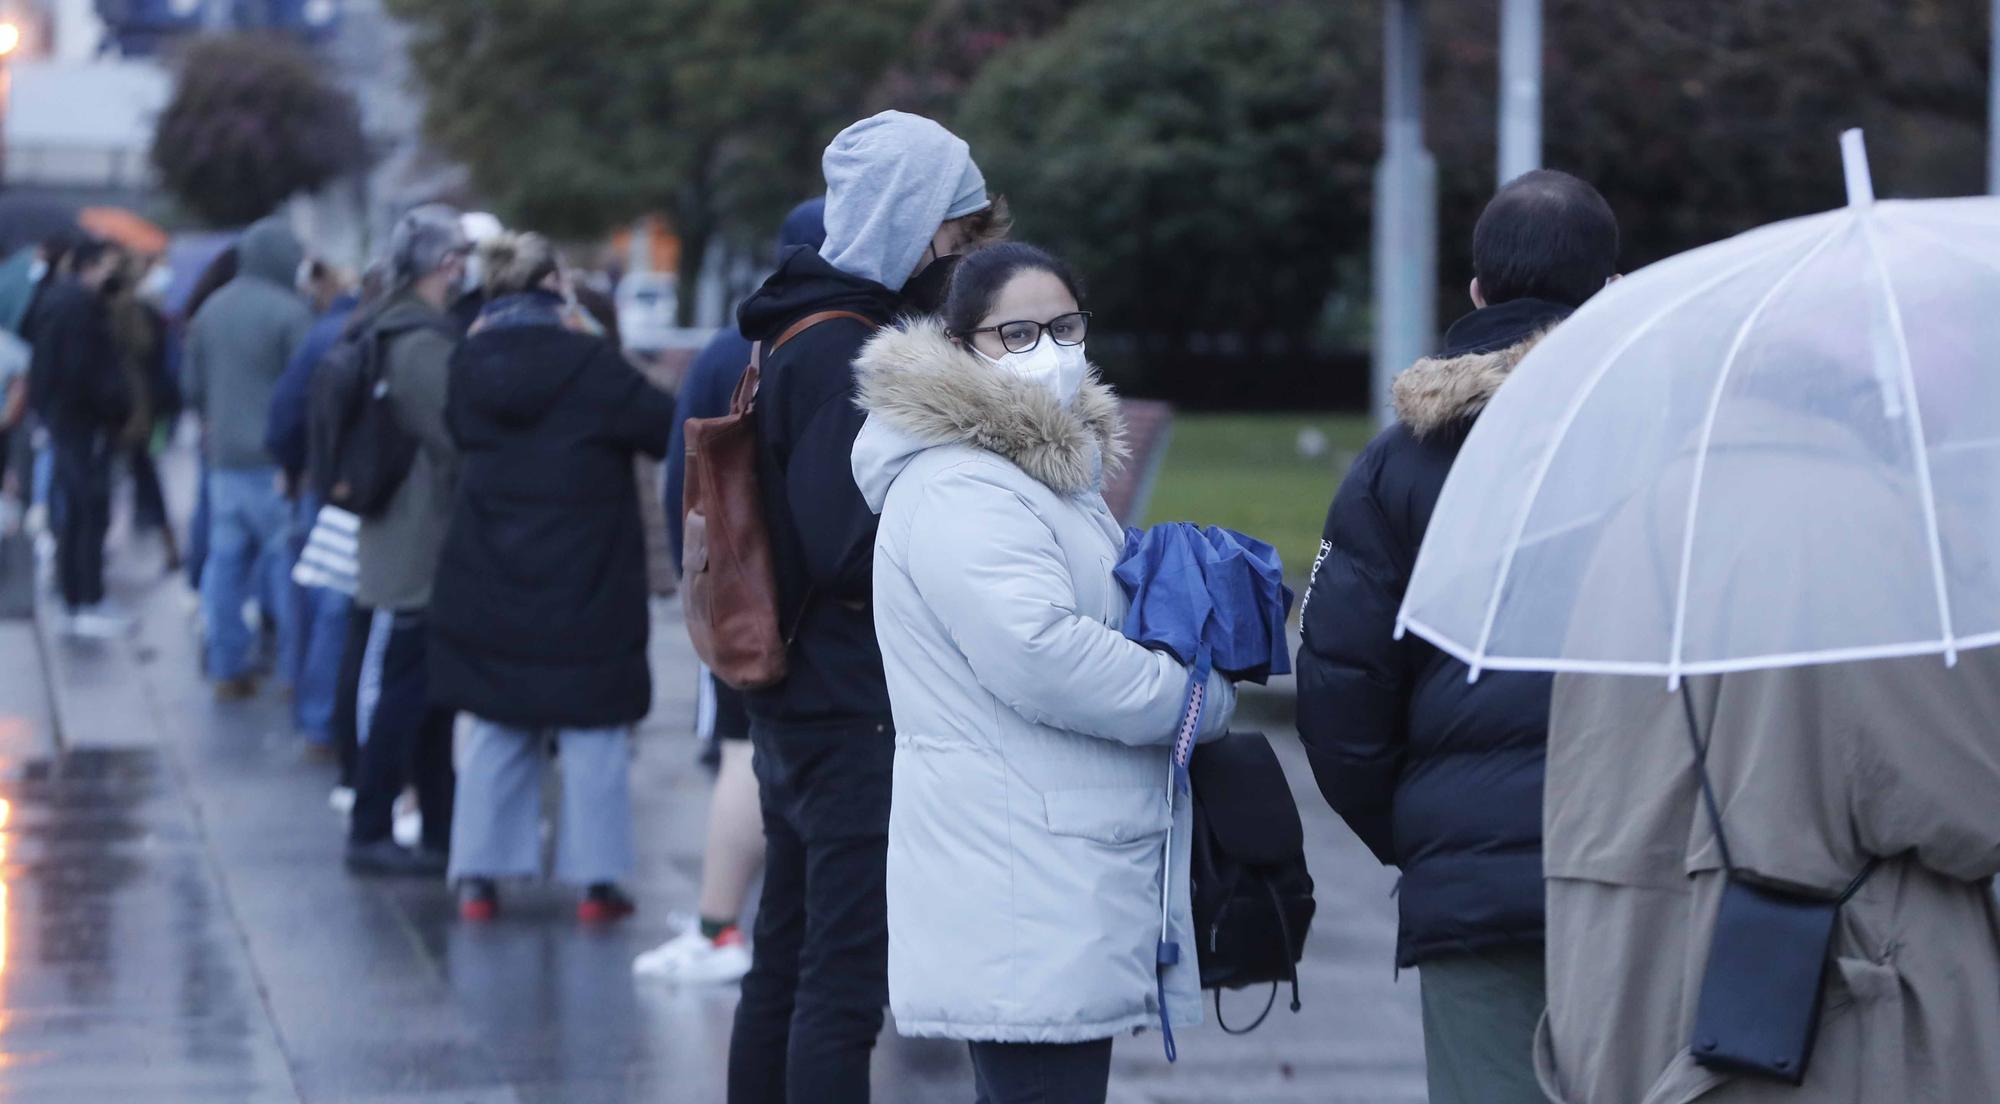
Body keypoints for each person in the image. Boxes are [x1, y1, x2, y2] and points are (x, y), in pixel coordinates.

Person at [851, 243, 1236, 1104]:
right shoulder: (964, 485)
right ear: (961, 346)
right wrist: (1192, 701)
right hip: (1020, 872)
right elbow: (1041, 651)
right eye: (1016, 333)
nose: (1050, 352)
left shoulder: (1035, 476)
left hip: (1044, 864)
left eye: (1064, 327)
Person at [1293, 169, 1619, 1104]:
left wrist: (1430, 837)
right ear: (1608, 290)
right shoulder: (1664, 439)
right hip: (1645, 870)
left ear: (1476, 293)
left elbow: (1339, 691)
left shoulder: (1396, 467)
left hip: (1473, 896)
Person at [726, 110, 1008, 1104]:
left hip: (797, 687)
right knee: (839, 981)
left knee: (788, 951)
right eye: (956, 232)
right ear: (910, 221)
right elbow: (845, 543)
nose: (964, 256)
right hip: (848, 699)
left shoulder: (799, 327)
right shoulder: (846, 350)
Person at [429, 232, 674, 922]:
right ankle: (597, 884)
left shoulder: (469, 359)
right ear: (554, 287)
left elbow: (456, 433)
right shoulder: (592, 363)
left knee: (498, 725)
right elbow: (663, 424)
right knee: (594, 731)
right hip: (585, 574)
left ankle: (477, 877)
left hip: (489, 567)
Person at [637, 195, 825, 985]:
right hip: (827, 596)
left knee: (744, 756)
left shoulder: (729, 345)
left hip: (748, 593)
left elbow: (683, 480)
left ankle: (719, 927)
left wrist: (697, 581)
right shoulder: (857, 339)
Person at [345, 204, 467, 878]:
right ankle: (372, 825)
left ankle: (436, 830)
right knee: (406, 689)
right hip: (419, 538)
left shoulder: (389, 326)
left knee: (422, 691)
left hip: (405, 533)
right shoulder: (419, 343)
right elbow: (454, 435)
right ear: (446, 265)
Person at [186, 216, 314, 700]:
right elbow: (305, 392)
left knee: (225, 567)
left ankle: (227, 666)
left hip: (223, 459)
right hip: (275, 463)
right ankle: (290, 672)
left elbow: (193, 389)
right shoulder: (290, 313)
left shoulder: (211, 309)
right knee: (285, 569)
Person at [267, 264, 362, 753]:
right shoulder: (355, 338)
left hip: (314, 484)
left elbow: (284, 412)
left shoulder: (320, 334)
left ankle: (312, 710)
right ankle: (323, 717)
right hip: (347, 489)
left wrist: (294, 464)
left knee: (313, 600)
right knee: (335, 608)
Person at [26, 238, 132, 637]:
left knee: (75, 508)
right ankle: (84, 599)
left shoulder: (58, 300)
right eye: (109, 265)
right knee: (87, 510)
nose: (113, 273)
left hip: (66, 420)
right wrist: (114, 408)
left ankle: (78, 598)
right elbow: (84, 371)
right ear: (91, 265)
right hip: (82, 423)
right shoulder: (79, 307)